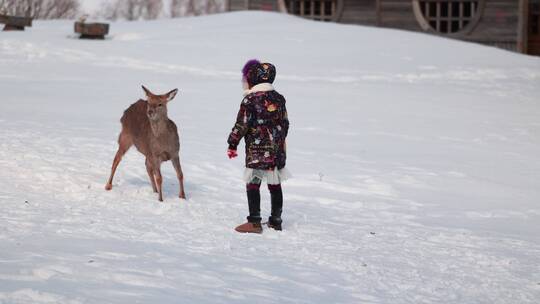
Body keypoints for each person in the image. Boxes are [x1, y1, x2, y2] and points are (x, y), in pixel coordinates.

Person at [227, 59, 290, 233]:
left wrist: (232, 143)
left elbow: (242, 124)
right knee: (275, 184)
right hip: (276, 150)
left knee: (253, 182)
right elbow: (285, 123)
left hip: (257, 151)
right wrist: (278, 140)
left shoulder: (250, 100)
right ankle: (276, 221)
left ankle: (254, 221)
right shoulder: (279, 99)